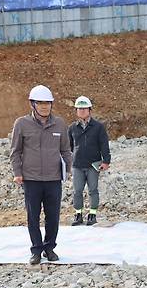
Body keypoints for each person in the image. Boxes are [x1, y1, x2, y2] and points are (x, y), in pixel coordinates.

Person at [10, 85, 72, 265]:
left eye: (48, 103)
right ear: (33, 104)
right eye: (41, 103)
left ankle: (49, 247)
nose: (45, 106)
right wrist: (17, 173)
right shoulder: (21, 124)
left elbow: (66, 149)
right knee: (33, 216)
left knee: (53, 216)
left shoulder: (59, 124)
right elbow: (15, 151)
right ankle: (36, 249)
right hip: (31, 179)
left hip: (53, 179)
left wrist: (67, 169)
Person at [68, 96, 111, 226]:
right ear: (76, 111)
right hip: (77, 165)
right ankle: (78, 214)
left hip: (93, 164)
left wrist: (106, 161)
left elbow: (104, 145)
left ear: (89, 110)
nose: (81, 111)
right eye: (79, 109)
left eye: (84, 108)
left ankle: (92, 214)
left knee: (93, 190)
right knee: (77, 190)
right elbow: (69, 146)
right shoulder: (72, 128)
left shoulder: (98, 127)